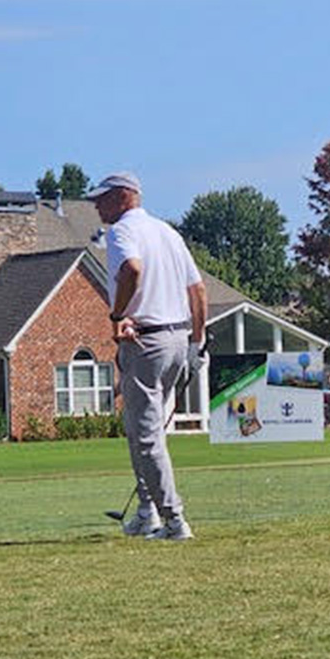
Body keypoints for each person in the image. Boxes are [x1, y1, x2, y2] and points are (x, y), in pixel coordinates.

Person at [87, 172, 208, 540]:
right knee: (143, 429)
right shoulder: (168, 232)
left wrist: (118, 314)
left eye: (102, 198)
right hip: (177, 339)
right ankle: (146, 512)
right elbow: (198, 290)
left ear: (124, 197)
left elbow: (132, 269)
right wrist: (197, 343)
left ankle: (174, 520)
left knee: (146, 436)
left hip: (146, 341)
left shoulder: (121, 232)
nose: (96, 206)